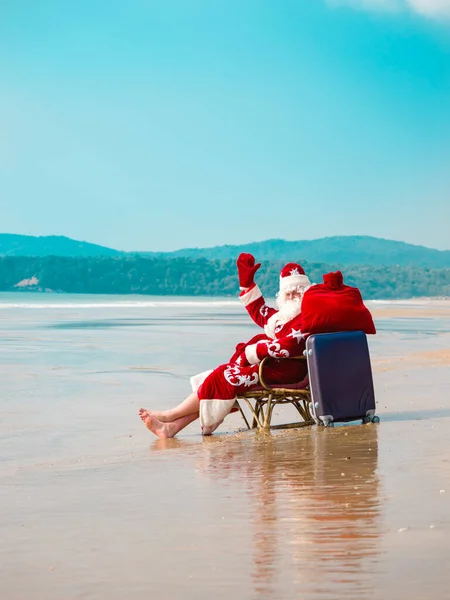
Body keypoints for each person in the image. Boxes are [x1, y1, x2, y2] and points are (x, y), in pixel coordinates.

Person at [138, 253, 312, 438]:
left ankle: (170, 414)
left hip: (289, 371)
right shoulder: (280, 318)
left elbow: (290, 345)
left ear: (306, 292)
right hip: (271, 366)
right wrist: (246, 282)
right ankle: (171, 428)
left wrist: (251, 352)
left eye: (297, 292)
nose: (293, 296)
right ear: (282, 295)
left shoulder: (309, 317)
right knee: (217, 377)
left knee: (224, 376)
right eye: (288, 293)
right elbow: (258, 310)